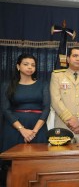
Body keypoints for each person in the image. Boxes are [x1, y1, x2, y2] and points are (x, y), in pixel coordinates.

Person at [0, 53, 50, 186]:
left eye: (33, 65)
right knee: (12, 167)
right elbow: (5, 109)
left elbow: (46, 109)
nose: (30, 67)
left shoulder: (43, 84)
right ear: (18, 66)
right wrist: (22, 129)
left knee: (37, 166)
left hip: (37, 128)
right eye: (26, 64)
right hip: (14, 128)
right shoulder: (7, 85)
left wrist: (34, 131)